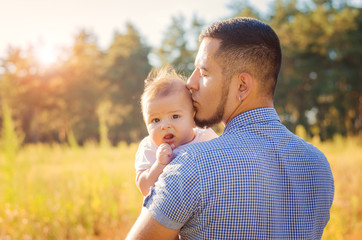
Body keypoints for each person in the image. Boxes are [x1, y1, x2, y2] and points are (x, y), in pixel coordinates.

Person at [127, 17, 334, 239]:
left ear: (242, 86)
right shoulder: (318, 164)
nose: (191, 83)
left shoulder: (191, 165)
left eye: (204, 73)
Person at [135, 67, 218, 196]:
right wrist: (159, 164)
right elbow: (145, 188)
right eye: (156, 120)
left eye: (175, 116)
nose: (164, 126)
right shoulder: (150, 147)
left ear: (193, 117)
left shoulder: (206, 137)